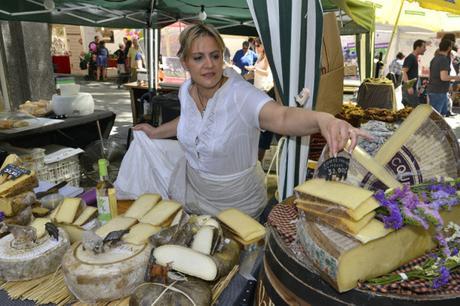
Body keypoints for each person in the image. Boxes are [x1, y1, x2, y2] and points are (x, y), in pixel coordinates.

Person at [115, 24, 371, 218]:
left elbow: (281, 116)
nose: (209, 65)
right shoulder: (185, 90)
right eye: (199, 58)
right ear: (185, 62)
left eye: (215, 56)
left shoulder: (240, 95)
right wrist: (157, 132)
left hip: (238, 206)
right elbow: (192, 121)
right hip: (193, 195)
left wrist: (323, 120)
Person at [244, 38, 276, 161]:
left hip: (266, 92)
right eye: (255, 45)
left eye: (258, 45)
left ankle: (258, 161)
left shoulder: (268, 57)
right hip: (257, 92)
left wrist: (255, 69)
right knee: (256, 128)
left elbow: (267, 73)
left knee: (263, 131)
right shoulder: (259, 56)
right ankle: (254, 160)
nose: (256, 47)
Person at [427, 39, 460, 116]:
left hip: (436, 90)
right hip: (438, 91)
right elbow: (444, 77)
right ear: (449, 48)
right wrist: (456, 77)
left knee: (439, 115)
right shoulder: (443, 59)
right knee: (436, 117)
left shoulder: (434, 58)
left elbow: (431, 75)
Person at [402, 39, 426, 107]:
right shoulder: (411, 58)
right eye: (424, 47)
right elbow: (403, 71)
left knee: (410, 110)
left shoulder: (414, 58)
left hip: (411, 87)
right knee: (412, 110)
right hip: (408, 87)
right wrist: (409, 86)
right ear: (418, 47)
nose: (425, 49)